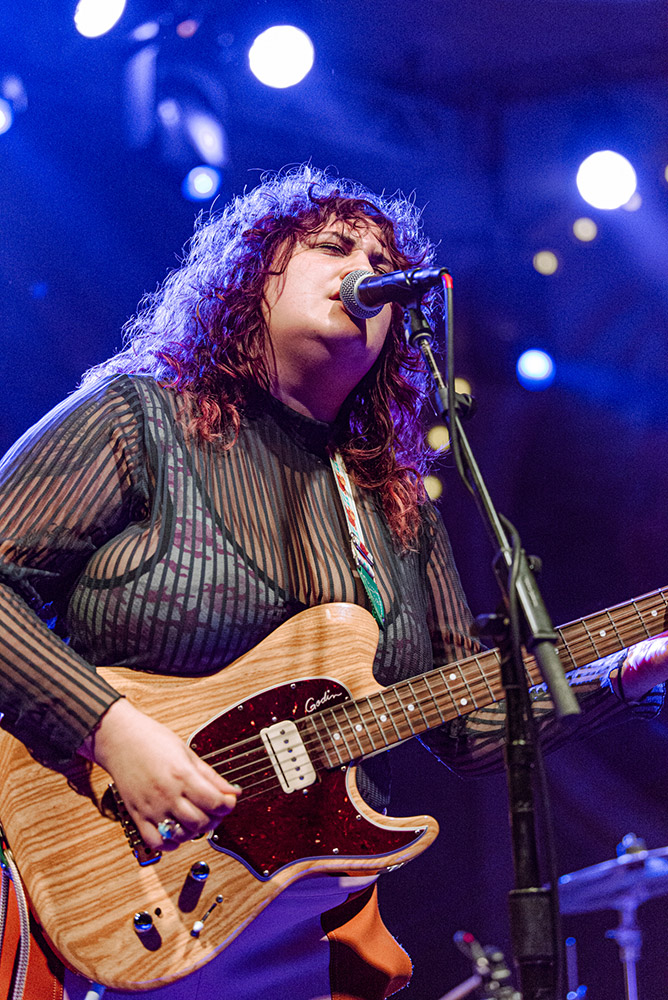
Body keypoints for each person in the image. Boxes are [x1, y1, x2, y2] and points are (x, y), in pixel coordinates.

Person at [0, 164, 665, 1000]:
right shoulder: (141, 418)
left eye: (382, 256)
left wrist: (621, 675)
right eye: (333, 244)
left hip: (303, 918)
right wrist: (112, 729)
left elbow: (469, 725)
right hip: (86, 867)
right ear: (253, 275)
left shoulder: (392, 508)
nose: (365, 266)